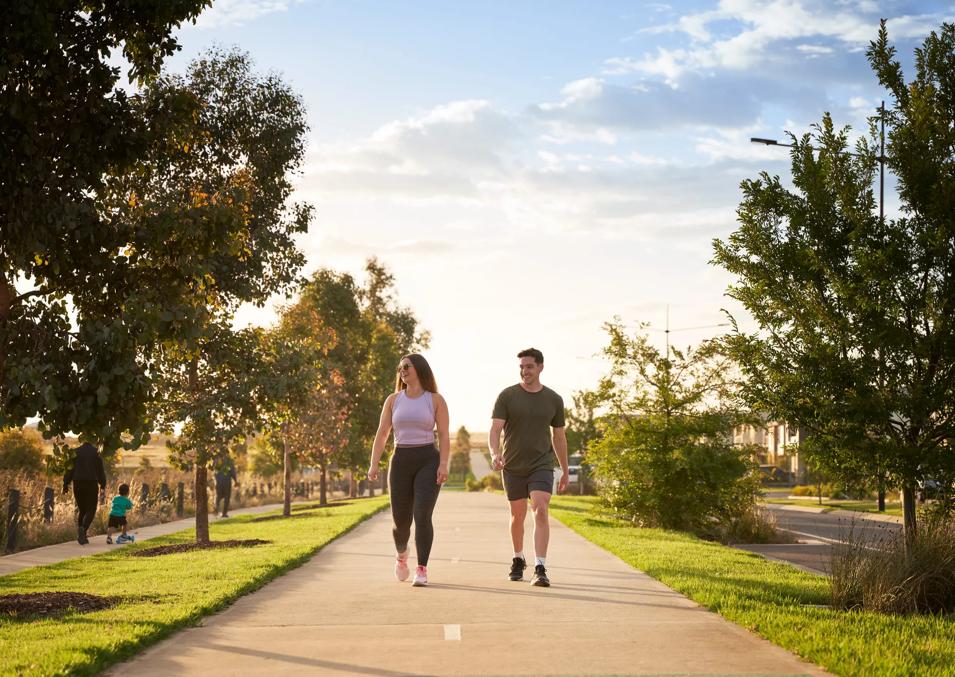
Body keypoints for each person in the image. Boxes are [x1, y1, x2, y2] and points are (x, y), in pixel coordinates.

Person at [489, 348, 569, 587]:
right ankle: (518, 558)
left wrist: (564, 469)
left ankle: (540, 566)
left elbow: (559, 437)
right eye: (522, 367)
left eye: (529, 366)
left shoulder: (554, 399)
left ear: (541, 367)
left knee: (541, 509)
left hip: (541, 464)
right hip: (512, 465)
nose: (525, 371)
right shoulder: (507, 396)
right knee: (517, 516)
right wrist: (495, 453)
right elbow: (495, 430)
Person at [369, 353, 450, 587]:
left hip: (428, 459)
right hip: (401, 460)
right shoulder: (393, 400)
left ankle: (422, 569)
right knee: (401, 522)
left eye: (406, 366)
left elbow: (444, 435)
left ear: (419, 370)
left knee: (422, 515)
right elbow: (382, 433)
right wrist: (374, 463)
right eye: (400, 368)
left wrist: (443, 463)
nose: (402, 371)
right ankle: (401, 555)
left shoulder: (435, 400)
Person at [62, 441, 107, 545]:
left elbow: (69, 470)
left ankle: (82, 534)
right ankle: (83, 531)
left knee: (82, 510)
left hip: (77, 483)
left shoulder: (75, 452)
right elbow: (101, 471)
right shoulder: (96, 453)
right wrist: (102, 485)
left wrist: (65, 484)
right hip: (91, 483)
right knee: (91, 509)